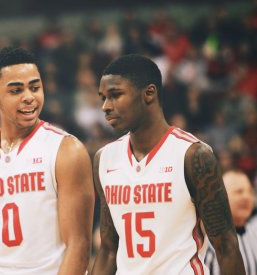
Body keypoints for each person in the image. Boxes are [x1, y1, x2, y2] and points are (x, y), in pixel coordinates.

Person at [90, 54, 245, 275]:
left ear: (149, 93)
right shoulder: (104, 159)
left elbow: (227, 248)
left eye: (115, 95)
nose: (105, 106)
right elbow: (107, 250)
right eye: (103, 98)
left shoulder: (193, 155)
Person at [0, 46, 95, 274]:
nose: (29, 97)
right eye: (16, 91)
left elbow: (78, 246)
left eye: (35, 88)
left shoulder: (66, 150)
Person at [205, 169, 257, 275]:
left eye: (250, 191)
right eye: (239, 191)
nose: (246, 197)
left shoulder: (254, 233)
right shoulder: (208, 243)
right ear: (220, 197)